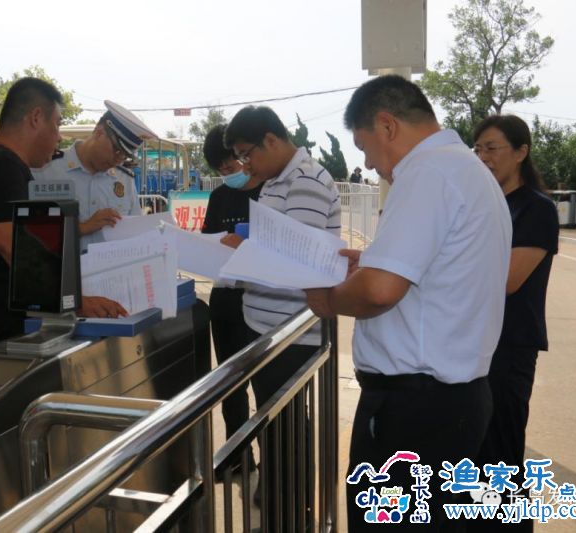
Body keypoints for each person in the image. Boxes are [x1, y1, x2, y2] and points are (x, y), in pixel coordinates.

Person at [305, 75, 512, 531]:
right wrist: (373, 261)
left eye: (364, 147)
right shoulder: (466, 170)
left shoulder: (427, 173)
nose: (368, 163)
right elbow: (437, 271)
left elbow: (379, 291)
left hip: (414, 412)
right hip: (451, 403)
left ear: (387, 126)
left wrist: (329, 298)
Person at [224, 105, 341, 527]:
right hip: (265, 326)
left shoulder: (305, 181)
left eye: (247, 153)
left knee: (286, 429)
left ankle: (292, 518)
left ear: (271, 140)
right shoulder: (275, 181)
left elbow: (296, 257)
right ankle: (282, 512)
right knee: (274, 425)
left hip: (291, 331)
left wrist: (242, 251)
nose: (245, 165)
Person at [0, 77, 126, 351]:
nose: (59, 136)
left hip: (5, 333)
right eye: (57, 124)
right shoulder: (1, 164)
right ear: (36, 118)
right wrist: (75, 302)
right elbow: (9, 243)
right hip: (3, 339)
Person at [468, 115, 559, 533]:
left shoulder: (536, 208)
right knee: (472, 454)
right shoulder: (482, 205)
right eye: (477, 149)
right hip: (472, 342)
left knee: (500, 456)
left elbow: (507, 280)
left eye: (492, 148)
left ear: (521, 152)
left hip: (509, 346)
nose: (482, 156)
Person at [200, 124, 262, 477]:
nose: (228, 173)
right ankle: (238, 457)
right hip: (225, 298)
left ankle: (274, 462)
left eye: (231, 164)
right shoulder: (219, 198)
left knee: (265, 382)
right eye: (221, 170)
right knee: (230, 382)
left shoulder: (268, 192)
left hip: (261, 299)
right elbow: (208, 242)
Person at [31, 100, 157, 252]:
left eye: (125, 156)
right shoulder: (46, 169)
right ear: (99, 132)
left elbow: (135, 236)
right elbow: (28, 234)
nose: (118, 160)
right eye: (117, 150)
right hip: (60, 266)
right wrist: (82, 228)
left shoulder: (124, 180)